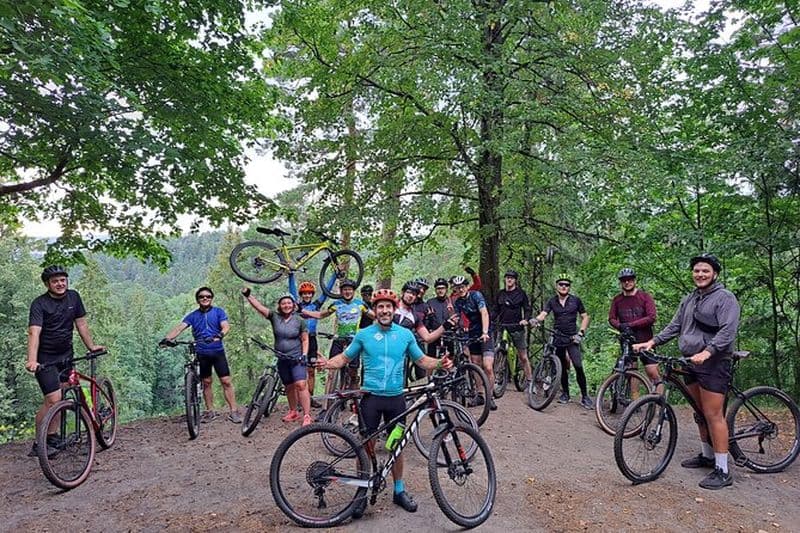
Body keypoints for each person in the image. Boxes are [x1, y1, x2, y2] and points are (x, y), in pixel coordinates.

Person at [315, 288, 453, 513]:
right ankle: (361, 493)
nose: (385, 310)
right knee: (365, 446)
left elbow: (422, 360)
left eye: (388, 306)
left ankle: (399, 490)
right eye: (380, 306)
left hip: (396, 400)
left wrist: (440, 363)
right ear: (375, 310)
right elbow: (344, 357)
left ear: (394, 308)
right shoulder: (364, 335)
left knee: (396, 446)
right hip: (370, 398)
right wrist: (327, 363)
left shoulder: (405, 335)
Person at [634, 254, 740, 490]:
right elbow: (675, 326)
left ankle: (723, 470)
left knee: (713, 415)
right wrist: (653, 342)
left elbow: (728, 331)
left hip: (714, 362)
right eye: (696, 271)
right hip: (691, 361)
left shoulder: (725, 298)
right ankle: (707, 455)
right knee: (699, 412)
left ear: (715, 274)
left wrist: (708, 351)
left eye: (705, 271)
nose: (700, 274)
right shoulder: (690, 299)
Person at [25, 265, 105, 457]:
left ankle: (52, 437)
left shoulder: (74, 297)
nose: (60, 284)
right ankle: (39, 443)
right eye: (55, 281)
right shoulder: (39, 304)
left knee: (60, 396)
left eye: (63, 280)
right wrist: (32, 360)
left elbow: (81, 324)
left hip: (66, 355)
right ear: (47, 284)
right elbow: (34, 332)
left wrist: (91, 346)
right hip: (45, 359)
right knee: (52, 399)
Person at [161, 287, 241, 423]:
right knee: (206, 382)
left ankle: (233, 411)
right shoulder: (193, 315)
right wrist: (167, 338)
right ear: (198, 299)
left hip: (217, 351)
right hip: (202, 352)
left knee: (226, 381)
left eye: (208, 296)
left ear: (211, 298)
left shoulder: (218, 312)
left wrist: (220, 335)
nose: (205, 298)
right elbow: (180, 327)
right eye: (202, 296)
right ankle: (210, 411)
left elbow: (226, 326)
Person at [242, 289, 313, 426]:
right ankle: (293, 411)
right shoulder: (274, 317)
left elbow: (305, 339)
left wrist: (304, 355)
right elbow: (259, 307)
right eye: (283, 303)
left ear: (293, 305)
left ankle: (307, 415)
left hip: (297, 358)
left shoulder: (299, 320)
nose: (286, 305)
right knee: (289, 386)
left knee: (301, 384)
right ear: (279, 305)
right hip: (282, 358)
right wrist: (248, 296)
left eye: (289, 303)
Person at [530, 274, 592, 409]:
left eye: (567, 285)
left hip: (572, 337)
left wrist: (581, 332)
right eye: (561, 284)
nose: (564, 287)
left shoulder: (576, 301)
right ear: (557, 286)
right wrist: (536, 320)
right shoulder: (552, 301)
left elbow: (585, 316)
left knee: (578, 365)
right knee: (561, 367)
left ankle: (585, 396)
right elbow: (544, 313)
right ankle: (565, 394)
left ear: (569, 287)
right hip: (558, 337)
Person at [301, 279, 372, 391]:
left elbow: (374, 316)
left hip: (354, 341)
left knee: (353, 368)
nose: (347, 292)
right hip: (338, 339)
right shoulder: (336, 304)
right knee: (331, 365)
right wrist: (305, 312)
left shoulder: (360, 304)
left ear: (353, 291)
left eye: (349, 290)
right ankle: (331, 395)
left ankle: (353, 380)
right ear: (341, 291)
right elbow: (320, 315)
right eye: (345, 290)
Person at [451, 275, 497, 410]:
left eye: (462, 287)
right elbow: (458, 318)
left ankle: (490, 396)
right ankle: (480, 394)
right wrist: (451, 327)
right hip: (472, 332)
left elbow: (484, 313)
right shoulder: (458, 302)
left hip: (486, 332)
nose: (460, 290)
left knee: (487, 366)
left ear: (466, 286)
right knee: (475, 365)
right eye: (457, 288)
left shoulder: (476, 295)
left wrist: (485, 332)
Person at [608, 268, 659, 386]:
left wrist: (630, 325)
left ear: (634, 280)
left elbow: (651, 317)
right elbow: (611, 318)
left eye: (629, 280)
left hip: (645, 340)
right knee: (631, 374)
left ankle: (658, 402)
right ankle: (635, 403)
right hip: (627, 340)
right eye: (624, 280)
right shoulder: (617, 300)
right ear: (620, 282)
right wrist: (620, 326)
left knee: (653, 373)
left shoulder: (645, 297)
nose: (627, 282)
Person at [296, 279, 335, 408]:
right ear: (301, 295)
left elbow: (326, 292)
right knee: (297, 369)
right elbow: (291, 290)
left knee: (311, 371)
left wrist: (335, 274)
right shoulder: (297, 306)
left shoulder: (316, 306)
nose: (307, 296)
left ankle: (310, 398)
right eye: (304, 294)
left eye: (309, 293)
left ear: (312, 295)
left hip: (312, 339)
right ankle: (298, 398)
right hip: (298, 339)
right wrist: (291, 274)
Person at [492, 269, 533, 386]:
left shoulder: (521, 293)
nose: (509, 279)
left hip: (517, 328)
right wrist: (489, 320)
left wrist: (525, 319)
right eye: (507, 277)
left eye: (512, 278)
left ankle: (530, 381)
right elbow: (495, 310)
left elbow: (527, 308)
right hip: (503, 327)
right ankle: (498, 376)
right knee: (499, 349)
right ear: (504, 279)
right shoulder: (500, 294)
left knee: (523, 356)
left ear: (515, 280)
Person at [425, 278, 456, 358]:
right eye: (438, 288)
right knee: (431, 357)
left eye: (442, 288)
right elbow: (426, 320)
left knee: (450, 357)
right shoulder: (430, 302)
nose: (440, 290)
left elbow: (458, 316)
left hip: (449, 333)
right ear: (435, 290)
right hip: (434, 334)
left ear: (446, 289)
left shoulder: (451, 301)